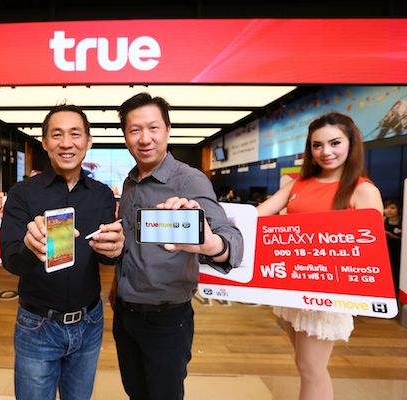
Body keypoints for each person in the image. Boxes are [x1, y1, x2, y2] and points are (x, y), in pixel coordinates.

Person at [109, 92, 243, 400]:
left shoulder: (189, 181)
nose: (145, 138)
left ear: (168, 130)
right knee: (135, 391)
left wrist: (212, 244)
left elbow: (231, 238)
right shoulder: (130, 182)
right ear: (126, 136)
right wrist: (117, 284)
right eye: (135, 130)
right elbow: (130, 245)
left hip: (166, 319)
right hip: (125, 313)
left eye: (153, 128)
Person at [0, 104, 124, 400]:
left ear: (88, 141)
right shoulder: (22, 193)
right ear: (44, 142)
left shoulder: (102, 195)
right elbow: (11, 260)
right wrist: (30, 248)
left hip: (90, 322)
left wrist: (116, 249)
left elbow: (105, 256)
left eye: (75, 134)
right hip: (36, 326)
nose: (66, 143)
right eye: (57, 135)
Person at [257, 112, 384, 400]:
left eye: (335, 143)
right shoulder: (296, 185)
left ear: (351, 144)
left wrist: (330, 287)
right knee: (308, 368)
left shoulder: (363, 190)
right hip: (293, 287)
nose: (326, 152)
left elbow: (370, 253)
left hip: (328, 293)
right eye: (317, 145)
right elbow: (257, 216)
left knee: (309, 368)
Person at [383, 198, 402, 298]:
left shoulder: (403, 221)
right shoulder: (383, 220)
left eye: (392, 208)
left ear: (399, 209)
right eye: (386, 208)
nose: (388, 211)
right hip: (386, 250)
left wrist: (391, 235)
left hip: (399, 251)